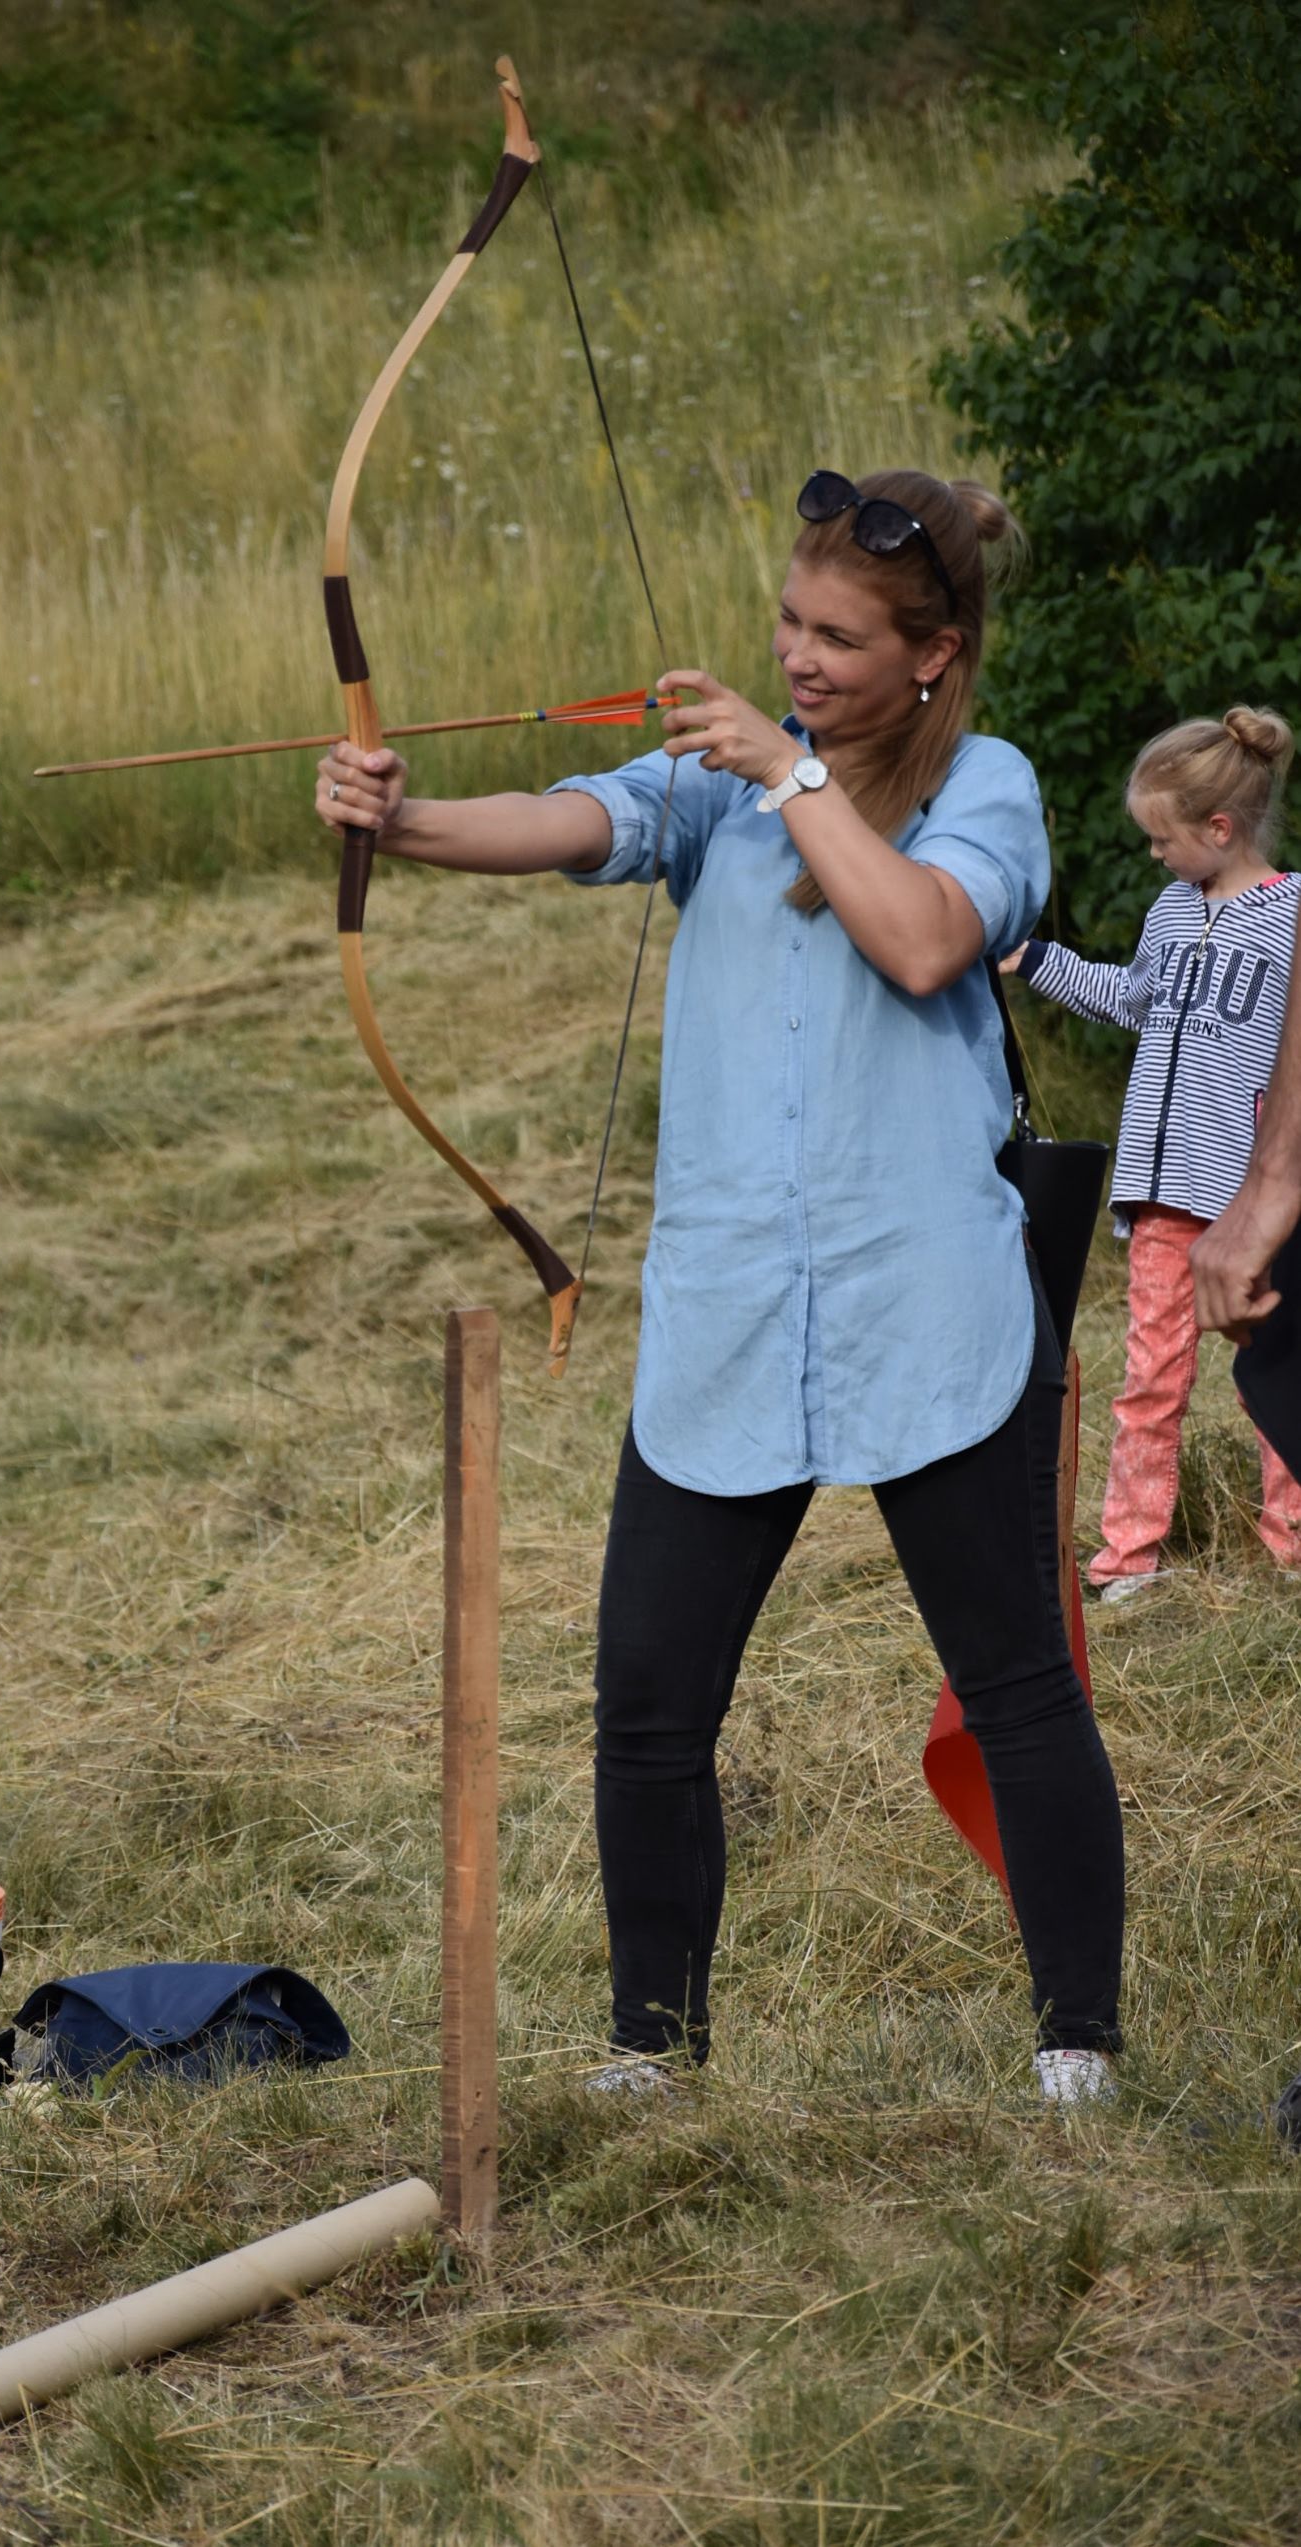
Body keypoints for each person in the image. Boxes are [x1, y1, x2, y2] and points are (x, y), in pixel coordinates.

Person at [316, 466, 1126, 2106]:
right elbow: (570, 818)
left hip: (927, 1304)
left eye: (838, 637)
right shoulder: (720, 787)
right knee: (645, 1698)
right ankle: (652, 2048)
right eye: (786, 622)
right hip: (732, 1310)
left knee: (1015, 1685)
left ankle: (1075, 2047)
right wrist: (396, 819)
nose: (797, 656)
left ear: (931, 653)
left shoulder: (983, 785)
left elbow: (920, 939)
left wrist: (786, 771)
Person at [1002, 709, 1300, 1599]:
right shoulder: (1169, 910)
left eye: (1161, 837)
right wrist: (1036, 960)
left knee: (1274, 1376)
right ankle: (1127, 1559)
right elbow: (1130, 998)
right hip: (1160, 1192)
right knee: (1149, 1376)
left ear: (1220, 827)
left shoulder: (1291, 915)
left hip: (1253, 1207)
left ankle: (1288, 1547)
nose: (1152, 853)